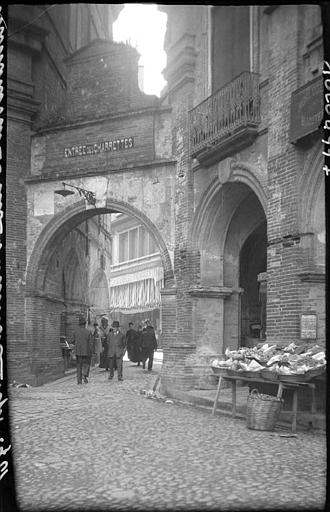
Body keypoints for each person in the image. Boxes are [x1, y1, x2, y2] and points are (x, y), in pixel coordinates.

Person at [72, 315, 94, 384]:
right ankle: (84, 375)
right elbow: (90, 343)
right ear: (85, 324)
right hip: (86, 352)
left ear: (79, 324)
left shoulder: (75, 332)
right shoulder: (88, 332)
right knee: (86, 364)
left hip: (78, 352)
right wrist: (91, 352)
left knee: (79, 366)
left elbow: (73, 341)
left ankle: (79, 381)